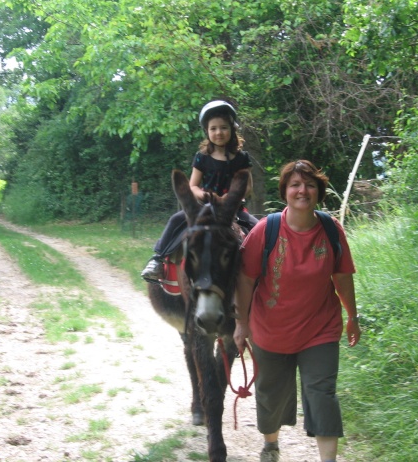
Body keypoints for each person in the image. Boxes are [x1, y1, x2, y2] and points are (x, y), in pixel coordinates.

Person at [233, 160, 361, 462]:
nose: (302, 190)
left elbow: (342, 277)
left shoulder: (331, 230)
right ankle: (271, 443)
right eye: (295, 185)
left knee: (322, 395)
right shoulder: (267, 230)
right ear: (285, 191)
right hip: (271, 330)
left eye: (309, 185)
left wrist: (352, 317)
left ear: (318, 191)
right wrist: (241, 324)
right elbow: (246, 279)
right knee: (271, 395)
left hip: (320, 329)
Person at [141, 100, 258, 282]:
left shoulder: (242, 158)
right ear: (207, 131)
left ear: (232, 129)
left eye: (223, 127)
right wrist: (203, 195)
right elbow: (193, 185)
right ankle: (158, 259)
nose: (218, 132)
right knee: (176, 219)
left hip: (232, 208)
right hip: (205, 208)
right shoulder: (202, 157)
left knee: (257, 228)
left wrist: (233, 197)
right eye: (213, 128)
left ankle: (263, 268)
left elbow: (248, 186)